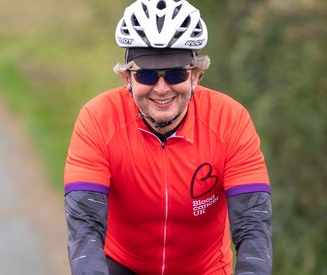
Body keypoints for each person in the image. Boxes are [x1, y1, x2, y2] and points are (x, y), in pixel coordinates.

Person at [63, 0, 272, 274]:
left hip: (204, 269)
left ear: (196, 75)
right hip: (123, 265)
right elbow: (85, 227)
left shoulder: (231, 121)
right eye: (147, 75)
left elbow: (253, 228)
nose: (161, 89)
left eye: (175, 73)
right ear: (127, 78)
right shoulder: (97, 119)